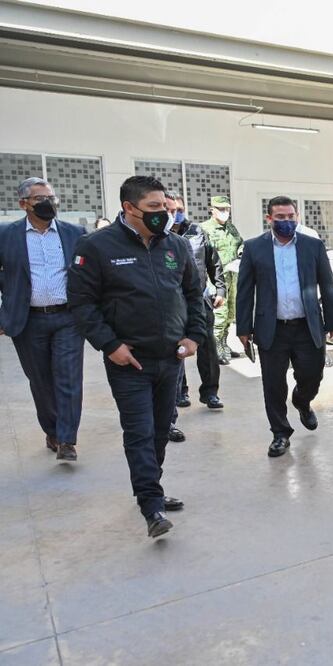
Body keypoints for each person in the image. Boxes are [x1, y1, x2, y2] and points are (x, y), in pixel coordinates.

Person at [68, 175, 205, 538]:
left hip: (170, 358)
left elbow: (194, 294)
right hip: (129, 361)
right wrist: (110, 345)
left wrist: (194, 337)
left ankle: (151, 488)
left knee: (161, 430)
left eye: (166, 207)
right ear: (129, 208)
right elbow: (82, 304)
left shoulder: (175, 245)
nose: (164, 214)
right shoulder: (96, 246)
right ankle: (151, 505)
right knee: (140, 432)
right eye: (154, 208)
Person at [236, 195, 333, 458]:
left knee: (312, 375)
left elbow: (327, 285)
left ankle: (302, 402)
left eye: (290, 217)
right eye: (280, 217)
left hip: (307, 326)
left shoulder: (312, 246)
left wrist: (332, 321)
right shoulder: (254, 248)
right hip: (272, 328)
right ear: (269, 219)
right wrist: (243, 328)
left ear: (297, 217)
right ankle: (280, 433)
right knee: (273, 384)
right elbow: (245, 291)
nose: (286, 221)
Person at [0, 177, 86, 461]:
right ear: (23, 204)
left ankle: (66, 439)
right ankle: (52, 430)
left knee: (69, 378)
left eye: (52, 197)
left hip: (68, 318)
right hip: (28, 320)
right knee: (40, 381)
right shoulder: (6, 235)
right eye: (40, 198)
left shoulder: (75, 233)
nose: (49, 203)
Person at [164, 192, 226, 444]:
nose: (175, 213)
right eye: (171, 209)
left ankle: (210, 392)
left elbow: (214, 262)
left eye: (179, 208)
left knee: (207, 348)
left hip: (199, 300)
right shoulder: (161, 236)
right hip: (171, 304)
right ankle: (180, 393)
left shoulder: (197, 232)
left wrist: (220, 289)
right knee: (176, 350)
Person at [201, 195, 243, 364]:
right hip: (215, 280)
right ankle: (214, 349)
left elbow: (240, 243)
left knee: (229, 316)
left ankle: (224, 344)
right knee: (219, 315)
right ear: (212, 210)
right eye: (222, 209)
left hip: (232, 277)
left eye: (227, 209)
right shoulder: (204, 229)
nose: (225, 212)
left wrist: (241, 253)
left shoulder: (231, 229)